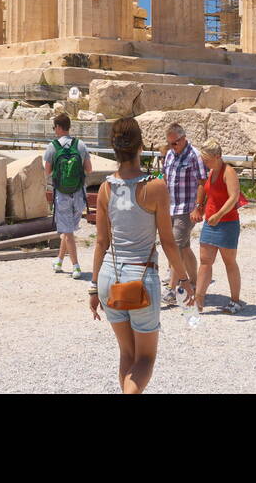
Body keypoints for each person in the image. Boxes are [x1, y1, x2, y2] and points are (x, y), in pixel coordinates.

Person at [90, 117, 192, 395]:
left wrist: (92, 288)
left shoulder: (105, 189)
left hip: (109, 277)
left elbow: (101, 242)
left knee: (127, 355)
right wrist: (184, 280)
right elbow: (169, 242)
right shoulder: (155, 187)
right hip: (141, 276)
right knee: (145, 358)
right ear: (141, 146)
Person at [193, 140, 245, 315]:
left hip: (227, 222)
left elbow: (234, 197)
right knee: (205, 261)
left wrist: (219, 214)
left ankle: (235, 300)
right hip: (211, 220)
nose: (204, 163)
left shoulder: (228, 172)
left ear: (217, 156)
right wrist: (200, 207)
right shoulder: (212, 171)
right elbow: (208, 191)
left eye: (207, 159)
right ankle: (198, 299)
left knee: (229, 262)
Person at [160, 123, 207, 306]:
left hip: (186, 209)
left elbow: (202, 182)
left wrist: (198, 207)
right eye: (170, 143)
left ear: (183, 138)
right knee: (184, 247)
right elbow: (165, 177)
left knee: (174, 246)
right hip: (171, 207)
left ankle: (171, 290)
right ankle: (194, 283)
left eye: (175, 143)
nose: (173, 146)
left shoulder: (194, 155)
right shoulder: (170, 154)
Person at [44, 113, 90, 275]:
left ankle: (76, 266)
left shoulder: (52, 146)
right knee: (68, 229)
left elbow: (47, 171)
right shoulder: (81, 145)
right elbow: (89, 169)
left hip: (62, 194)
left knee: (67, 231)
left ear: (57, 127)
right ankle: (59, 261)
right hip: (79, 194)